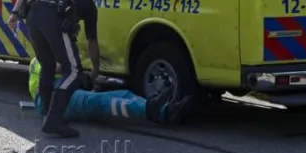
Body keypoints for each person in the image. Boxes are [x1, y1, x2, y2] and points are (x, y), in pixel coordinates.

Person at [8, 0, 100, 138]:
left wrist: (14, 12)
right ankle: (54, 119)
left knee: (47, 65)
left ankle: (45, 113)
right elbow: (91, 40)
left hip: (32, 18)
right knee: (73, 71)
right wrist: (95, 70)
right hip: (53, 17)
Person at [27, 58, 191, 126]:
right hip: (49, 101)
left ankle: (166, 112)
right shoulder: (41, 58)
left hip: (59, 96)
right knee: (97, 102)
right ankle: (151, 109)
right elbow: (55, 68)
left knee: (114, 96)